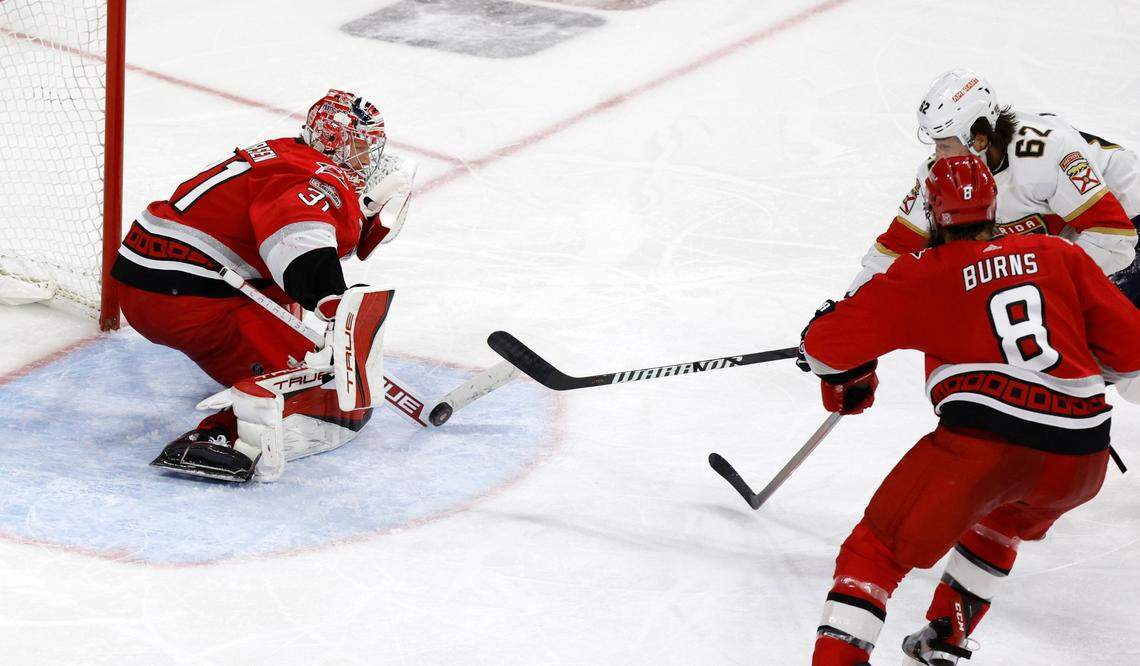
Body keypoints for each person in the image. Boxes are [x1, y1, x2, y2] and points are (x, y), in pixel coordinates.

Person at [801, 154, 1140, 665]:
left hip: (986, 448)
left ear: (935, 218)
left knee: (874, 552)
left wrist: (847, 376)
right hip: (1082, 457)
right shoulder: (1056, 253)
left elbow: (827, 347)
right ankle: (945, 640)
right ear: (994, 205)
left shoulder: (925, 272)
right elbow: (1132, 350)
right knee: (1001, 521)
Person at [110, 89, 417, 482]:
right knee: (341, 400)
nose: (367, 161)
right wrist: (331, 300)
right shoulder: (321, 176)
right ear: (334, 140)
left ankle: (261, 376)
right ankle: (222, 438)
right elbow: (297, 236)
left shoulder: (285, 153)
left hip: (147, 284)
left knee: (287, 306)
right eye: (361, 147)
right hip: (191, 301)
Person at [849, 69, 1140, 299]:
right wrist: (846, 312)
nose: (937, 156)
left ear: (979, 139)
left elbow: (1114, 240)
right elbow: (895, 249)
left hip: (1130, 220)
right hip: (1077, 230)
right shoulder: (941, 175)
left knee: (1101, 346)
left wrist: (1035, 282)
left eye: (945, 145)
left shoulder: (1047, 156)